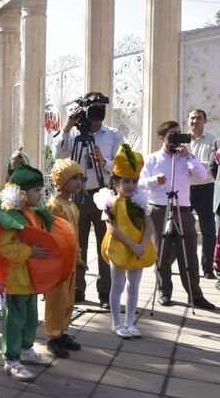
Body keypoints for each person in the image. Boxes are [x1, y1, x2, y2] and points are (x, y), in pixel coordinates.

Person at [51, 92, 124, 307]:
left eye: (101, 107)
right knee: (76, 244)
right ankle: (77, 289)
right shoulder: (74, 133)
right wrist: (66, 127)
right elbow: (58, 155)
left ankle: (106, 292)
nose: (97, 111)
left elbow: (119, 165)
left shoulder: (113, 134)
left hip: (102, 193)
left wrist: (104, 162)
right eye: (94, 107)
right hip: (76, 196)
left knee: (106, 246)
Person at [0, 162, 60, 382]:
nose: (41, 194)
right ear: (21, 193)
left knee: (31, 317)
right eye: (36, 191)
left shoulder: (32, 213)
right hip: (17, 278)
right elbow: (4, 247)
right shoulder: (12, 218)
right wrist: (29, 251)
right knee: (15, 318)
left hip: (31, 278)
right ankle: (11, 358)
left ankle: (26, 349)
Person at [139, 121, 216, 310]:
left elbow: (202, 175)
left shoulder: (186, 158)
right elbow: (140, 182)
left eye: (179, 133)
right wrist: (153, 180)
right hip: (159, 209)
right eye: (172, 134)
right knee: (162, 253)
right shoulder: (153, 158)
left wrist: (188, 156)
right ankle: (164, 291)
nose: (177, 138)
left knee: (189, 253)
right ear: (162, 138)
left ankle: (195, 294)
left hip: (183, 209)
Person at [94, 145, 157, 338]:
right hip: (120, 249)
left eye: (134, 181)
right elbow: (112, 229)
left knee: (134, 285)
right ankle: (116, 322)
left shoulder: (140, 202)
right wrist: (132, 245)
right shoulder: (110, 203)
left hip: (138, 248)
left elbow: (149, 226)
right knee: (118, 285)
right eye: (126, 181)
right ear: (116, 181)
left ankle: (130, 322)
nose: (130, 185)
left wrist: (143, 245)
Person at [44, 158, 84, 358]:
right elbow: (49, 234)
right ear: (61, 180)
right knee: (56, 299)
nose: (78, 182)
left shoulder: (73, 206)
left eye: (80, 178)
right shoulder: (54, 205)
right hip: (58, 261)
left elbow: (74, 235)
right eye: (74, 178)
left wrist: (78, 256)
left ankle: (63, 331)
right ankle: (53, 336)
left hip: (70, 260)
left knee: (68, 298)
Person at [186, 109, 217, 279]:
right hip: (185, 189)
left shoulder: (214, 141)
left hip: (206, 190)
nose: (195, 121)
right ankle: (167, 263)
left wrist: (191, 163)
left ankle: (207, 267)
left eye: (199, 118)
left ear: (205, 121)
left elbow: (211, 168)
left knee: (208, 229)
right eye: (192, 118)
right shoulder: (181, 140)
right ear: (187, 120)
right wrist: (199, 165)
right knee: (176, 227)